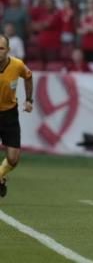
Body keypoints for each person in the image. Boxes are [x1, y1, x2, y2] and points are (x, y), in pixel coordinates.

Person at [0, 35, 33, 198]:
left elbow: (28, 76)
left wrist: (28, 100)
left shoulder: (17, 65)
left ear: (8, 50)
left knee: (13, 159)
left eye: (1, 48)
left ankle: (0, 175)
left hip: (9, 114)